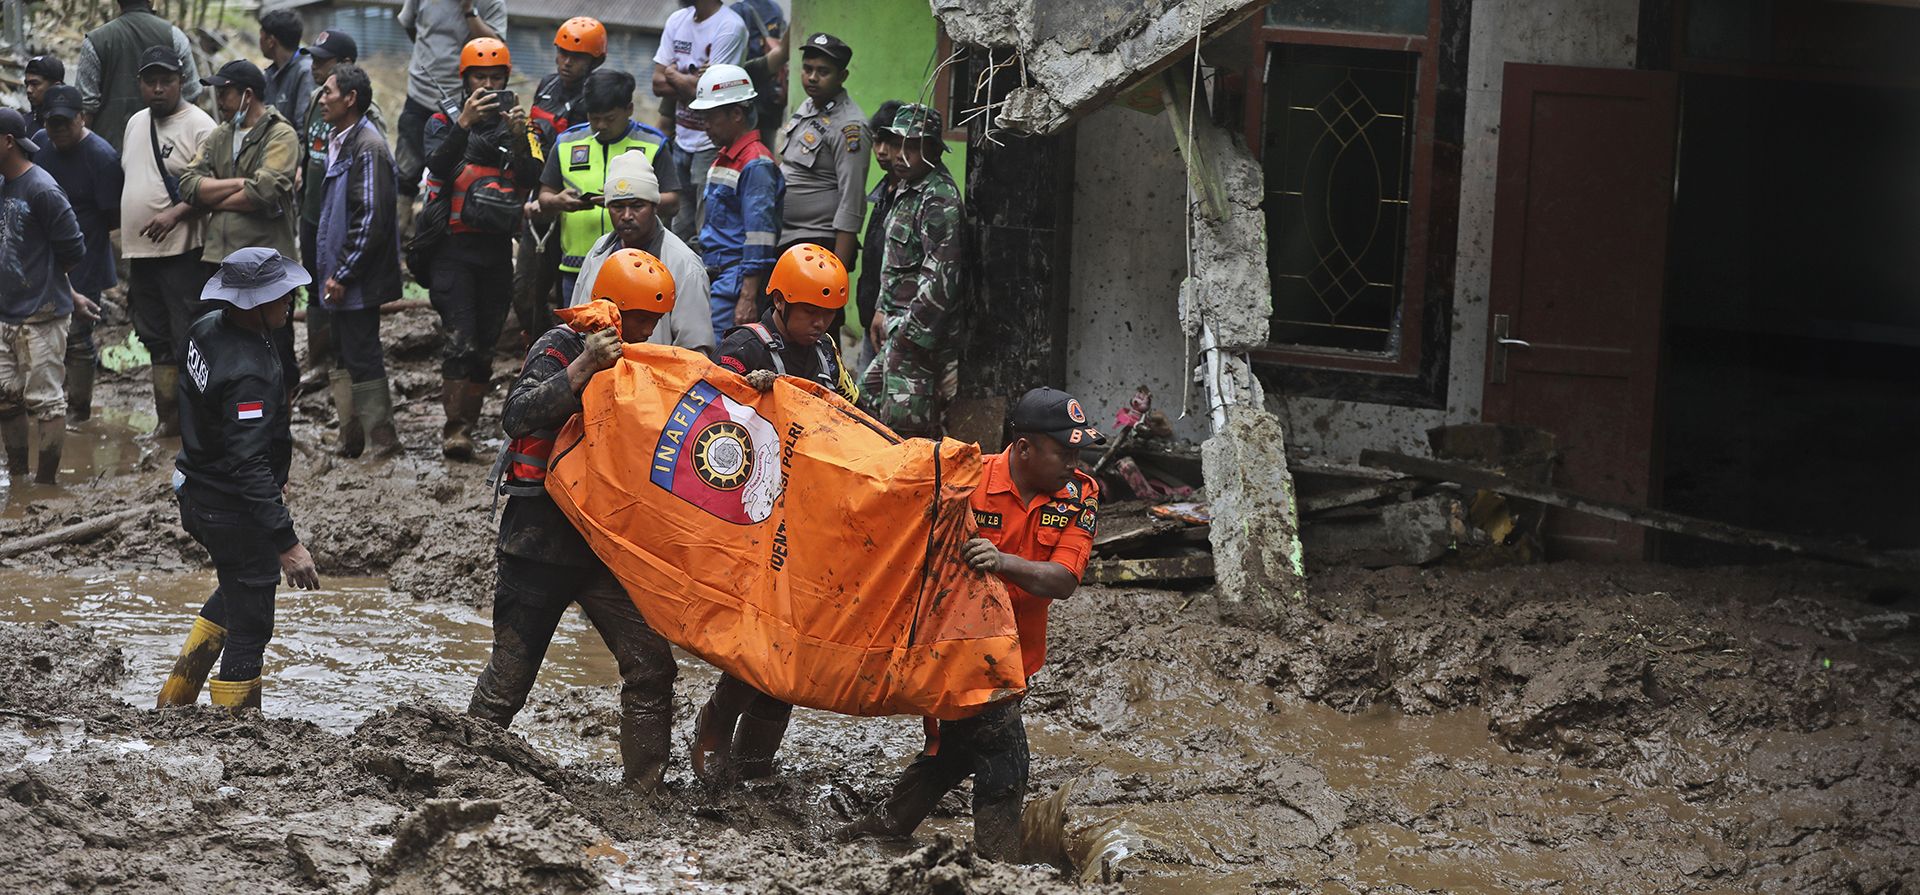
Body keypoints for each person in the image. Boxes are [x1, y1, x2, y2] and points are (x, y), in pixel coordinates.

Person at [837, 387, 1104, 860]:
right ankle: (995, 866)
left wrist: (1001, 561)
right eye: (1064, 451)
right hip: (956, 649)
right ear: (1024, 448)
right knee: (1005, 756)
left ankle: (882, 828)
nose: (1073, 462)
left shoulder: (1081, 493)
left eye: (1078, 451)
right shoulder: (964, 479)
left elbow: (1064, 579)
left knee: (955, 751)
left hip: (1019, 653)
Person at [472, 248, 681, 790]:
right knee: (507, 683)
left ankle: (645, 793)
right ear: (610, 310)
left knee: (652, 666)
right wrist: (583, 367)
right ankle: (466, 774)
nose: (645, 332)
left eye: (653, 323)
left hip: (606, 546)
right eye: (638, 320)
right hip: (538, 542)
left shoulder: (646, 365)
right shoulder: (558, 346)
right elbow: (514, 416)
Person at [690, 243, 856, 782]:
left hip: (810, 522)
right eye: (810, 311)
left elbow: (851, 416)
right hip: (754, 520)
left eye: (829, 313)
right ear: (780, 303)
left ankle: (756, 761)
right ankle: (714, 727)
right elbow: (706, 417)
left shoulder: (829, 354)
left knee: (793, 649)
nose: (820, 322)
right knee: (759, 641)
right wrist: (752, 395)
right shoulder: (744, 346)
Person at [155, 248, 320, 713]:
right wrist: (287, 543)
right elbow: (246, 464)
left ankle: (175, 700)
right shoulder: (247, 373)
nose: (290, 299)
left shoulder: (206, 328)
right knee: (252, 625)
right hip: (227, 504)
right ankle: (237, 730)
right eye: (280, 294)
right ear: (251, 304)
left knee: (238, 587)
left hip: (195, 485)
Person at [423, 38, 538, 460]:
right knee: (460, 340)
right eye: (479, 77)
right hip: (452, 250)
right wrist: (464, 125)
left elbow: (532, 175)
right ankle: (456, 429)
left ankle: (468, 423)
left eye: (495, 78)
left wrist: (520, 136)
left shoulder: (520, 126)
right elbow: (435, 164)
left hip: (496, 251)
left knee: (486, 344)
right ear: (465, 79)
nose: (487, 85)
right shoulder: (441, 120)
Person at [174, 59, 302, 393]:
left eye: (225, 92)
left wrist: (212, 197)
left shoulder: (280, 135)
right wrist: (239, 185)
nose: (219, 100)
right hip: (221, 261)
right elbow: (187, 184)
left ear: (248, 94)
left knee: (275, 349)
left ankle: (278, 425)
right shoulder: (221, 135)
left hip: (266, 267)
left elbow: (266, 190)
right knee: (223, 345)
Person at [119, 46, 215, 439]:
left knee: (188, 336)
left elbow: (213, 189)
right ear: (140, 84)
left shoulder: (200, 126)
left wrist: (176, 214)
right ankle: (169, 421)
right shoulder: (135, 122)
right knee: (154, 335)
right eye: (150, 81)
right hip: (141, 253)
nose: (158, 89)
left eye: (167, 81)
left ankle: (199, 425)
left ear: (181, 82)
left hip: (183, 253)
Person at [314, 63, 404, 460]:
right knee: (344, 352)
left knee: (363, 354)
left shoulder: (368, 147)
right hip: (340, 276)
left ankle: (381, 444)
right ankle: (352, 439)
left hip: (356, 279)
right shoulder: (342, 141)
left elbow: (371, 218)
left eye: (329, 92)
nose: (321, 98)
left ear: (350, 99)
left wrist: (344, 273)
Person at [858, 104, 962, 439]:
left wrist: (904, 334)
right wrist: (880, 310)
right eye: (898, 143)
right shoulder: (906, 189)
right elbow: (894, 262)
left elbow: (941, 282)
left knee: (907, 434)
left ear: (932, 148)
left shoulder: (938, 199)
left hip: (917, 342)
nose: (901, 155)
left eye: (913, 146)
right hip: (893, 332)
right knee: (862, 409)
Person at [533, 68, 678, 307]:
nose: (600, 125)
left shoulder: (653, 144)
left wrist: (628, 200)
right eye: (594, 118)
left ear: (629, 110)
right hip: (577, 268)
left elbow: (673, 201)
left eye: (609, 118)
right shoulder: (567, 143)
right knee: (581, 340)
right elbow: (544, 196)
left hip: (639, 268)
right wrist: (559, 201)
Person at [296, 30, 384, 394]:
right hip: (315, 212)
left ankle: (343, 375)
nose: (315, 66)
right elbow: (309, 143)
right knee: (316, 290)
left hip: (345, 224)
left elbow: (371, 199)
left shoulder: (367, 126)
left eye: (323, 60)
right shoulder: (317, 100)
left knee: (351, 314)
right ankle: (320, 363)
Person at [0, 110, 85, 485]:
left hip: (41, 316)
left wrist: (48, 282)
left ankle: (45, 485)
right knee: (6, 399)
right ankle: (19, 478)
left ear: (7, 142)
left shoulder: (42, 188)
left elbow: (72, 249)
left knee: (47, 402)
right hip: (5, 314)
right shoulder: (2, 185)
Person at [29, 85, 122, 426]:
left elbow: (113, 216)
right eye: (52, 124)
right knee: (42, 329)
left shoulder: (102, 157)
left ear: (82, 118)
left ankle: (79, 410)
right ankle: (49, 402)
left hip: (85, 253)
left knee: (78, 335)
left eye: (65, 123)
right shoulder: (39, 145)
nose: (58, 130)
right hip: (40, 254)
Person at [565, 151, 713, 356]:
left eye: (637, 206)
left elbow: (695, 351)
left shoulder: (683, 265)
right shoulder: (599, 252)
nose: (626, 216)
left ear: (654, 206)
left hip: (657, 382)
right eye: (617, 206)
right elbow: (577, 324)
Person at [517, 16, 609, 344]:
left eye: (577, 56)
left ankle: (559, 350)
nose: (567, 62)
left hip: (573, 207)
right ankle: (535, 347)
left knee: (562, 288)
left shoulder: (597, 99)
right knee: (527, 288)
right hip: (541, 195)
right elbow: (534, 138)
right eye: (562, 53)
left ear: (595, 60)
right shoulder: (547, 87)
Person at [689, 64, 783, 338]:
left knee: (719, 356)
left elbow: (760, 236)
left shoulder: (755, 163)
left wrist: (747, 296)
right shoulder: (726, 157)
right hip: (716, 275)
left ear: (736, 114)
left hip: (735, 280)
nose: (704, 124)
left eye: (710, 116)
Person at [396, 0, 507, 227]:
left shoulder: (492, 3)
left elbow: (495, 48)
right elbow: (410, 25)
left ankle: (449, 227)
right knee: (405, 174)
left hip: (465, 102)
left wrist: (469, 11)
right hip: (420, 92)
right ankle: (398, 237)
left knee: (457, 171)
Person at [651, 0, 748, 244]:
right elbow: (657, 83)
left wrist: (673, 73)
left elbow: (708, 92)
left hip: (711, 143)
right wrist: (691, 80)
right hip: (681, 141)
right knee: (677, 231)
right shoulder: (677, 20)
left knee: (707, 228)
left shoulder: (729, 26)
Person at [777, 34, 866, 273]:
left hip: (817, 245)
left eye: (823, 72)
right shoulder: (808, 106)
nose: (812, 78)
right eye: (807, 69)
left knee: (815, 310)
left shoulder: (850, 126)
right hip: (786, 238)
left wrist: (836, 272)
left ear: (842, 77)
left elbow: (852, 203)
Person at [77, 0, 202, 154]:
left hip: (108, 152)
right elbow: (192, 93)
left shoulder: (95, 42)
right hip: (167, 151)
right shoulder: (174, 36)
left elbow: (85, 108)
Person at [854, 100, 905, 374]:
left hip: (895, 321)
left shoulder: (916, 197)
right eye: (877, 142)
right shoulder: (884, 191)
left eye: (891, 142)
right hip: (871, 315)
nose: (882, 151)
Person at [731, 0, 788, 152]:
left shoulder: (738, 10)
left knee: (743, 149)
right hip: (770, 95)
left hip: (747, 90)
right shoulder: (775, 9)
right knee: (765, 150)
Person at [258, 8, 312, 130]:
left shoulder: (305, 72)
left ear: (271, 41)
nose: (259, 42)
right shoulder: (270, 74)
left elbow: (303, 126)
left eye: (261, 36)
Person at [24, 56, 65, 134]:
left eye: (35, 84)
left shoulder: (68, 127)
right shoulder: (24, 124)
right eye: (27, 84)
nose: (28, 90)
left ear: (56, 86)